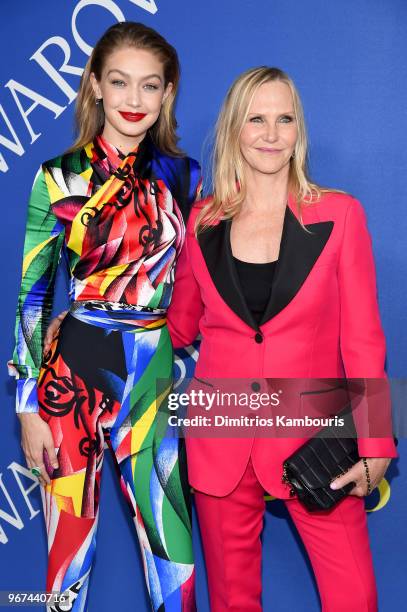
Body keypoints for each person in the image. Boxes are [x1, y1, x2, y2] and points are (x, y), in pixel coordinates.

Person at [165, 67, 397, 611]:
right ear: (234, 130)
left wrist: (377, 443)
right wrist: (91, 318)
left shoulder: (340, 215)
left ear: (299, 129)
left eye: (284, 118)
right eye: (257, 119)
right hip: (219, 432)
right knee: (231, 600)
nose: (271, 133)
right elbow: (177, 326)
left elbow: (364, 340)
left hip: (314, 436)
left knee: (353, 598)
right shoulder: (201, 222)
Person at [8, 21, 201, 612]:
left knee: (175, 557)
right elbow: (33, 295)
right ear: (94, 85)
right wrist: (25, 404)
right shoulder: (56, 176)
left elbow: (194, 285)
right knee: (67, 553)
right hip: (71, 377)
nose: (134, 100)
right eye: (120, 83)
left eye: (150, 86)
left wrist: (186, 365)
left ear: (167, 93)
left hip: (153, 376)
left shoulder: (184, 176)